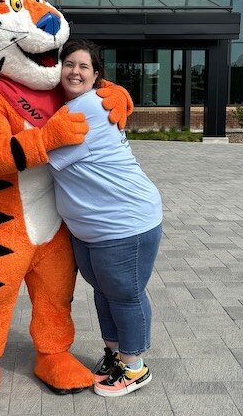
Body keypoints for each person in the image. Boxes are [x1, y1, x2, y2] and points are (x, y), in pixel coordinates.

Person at [47, 39, 163, 397]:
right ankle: (115, 355)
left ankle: (134, 366)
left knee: (125, 294)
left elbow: (40, 152)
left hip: (124, 223)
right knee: (104, 292)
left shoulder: (85, 110)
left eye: (84, 66)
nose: (75, 71)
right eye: (69, 64)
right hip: (91, 228)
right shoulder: (79, 104)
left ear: (96, 75)